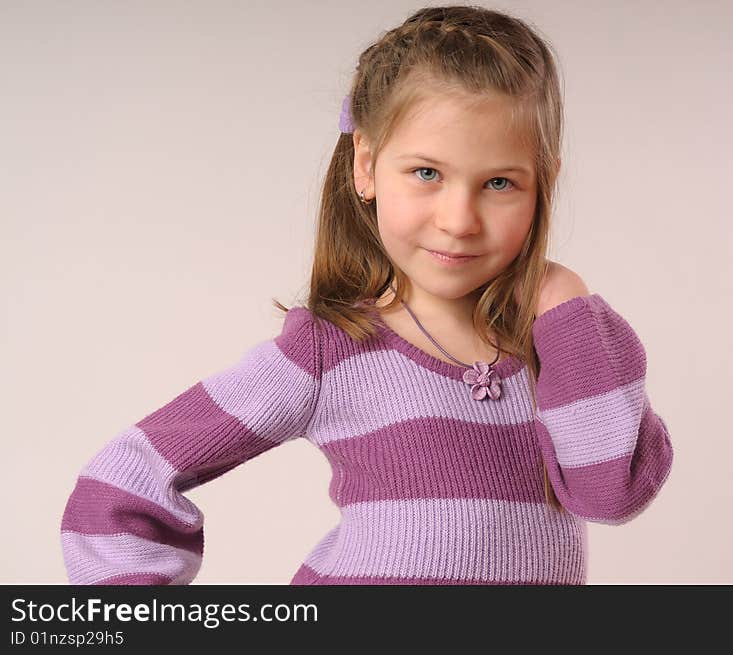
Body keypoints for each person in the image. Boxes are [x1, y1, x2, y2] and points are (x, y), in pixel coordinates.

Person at [60, 4, 673, 585]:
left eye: (499, 182)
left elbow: (610, 494)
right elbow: (122, 484)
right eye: (426, 173)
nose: (460, 219)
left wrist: (568, 306)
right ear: (366, 163)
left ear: (544, 184)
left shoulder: (565, 349)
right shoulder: (327, 351)